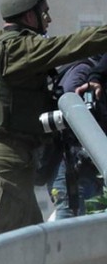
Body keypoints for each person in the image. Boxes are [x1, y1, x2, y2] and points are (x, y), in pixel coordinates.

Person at [0, 0, 107, 239]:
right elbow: (75, 44)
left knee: (30, 244)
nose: (49, 19)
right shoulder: (20, 49)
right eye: (44, 12)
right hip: (5, 159)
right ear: (29, 16)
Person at [45, 53, 107, 219]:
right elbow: (69, 106)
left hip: (83, 164)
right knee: (69, 215)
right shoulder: (83, 70)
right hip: (69, 161)